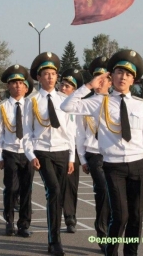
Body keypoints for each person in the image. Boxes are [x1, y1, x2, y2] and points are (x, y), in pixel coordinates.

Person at [61, 49, 143, 256]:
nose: (123, 77)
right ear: (110, 76)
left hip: (139, 164)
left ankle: (131, 253)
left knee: (136, 217)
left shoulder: (141, 105)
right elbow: (66, 106)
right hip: (114, 166)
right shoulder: (99, 102)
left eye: (128, 74)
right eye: (119, 72)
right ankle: (111, 252)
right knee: (120, 216)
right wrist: (89, 85)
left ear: (133, 80)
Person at [23, 52, 75, 256]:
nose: (50, 77)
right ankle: (54, 241)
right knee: (53, 190)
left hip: (62, 151)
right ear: (38, 77)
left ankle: (54, 236)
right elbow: (27, 132)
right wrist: (31, 155)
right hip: (42, 151)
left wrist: (72, 157)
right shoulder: (31, 101)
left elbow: (71, 131)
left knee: (59, 194)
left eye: (53, 73)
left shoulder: (65, 100)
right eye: (46, 73)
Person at [0, 64, 34, 237]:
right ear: (8, 86)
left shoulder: (33, 106)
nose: (17, 86)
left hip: (28, 153)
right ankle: (9, 221)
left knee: (27, 189)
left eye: (20, 83)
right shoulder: (2, 107)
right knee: (11, 188)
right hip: (10, 151)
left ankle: (24, 224)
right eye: (14, 83)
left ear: (26, 87)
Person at [76, 56, 112, 253]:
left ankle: (111, 231)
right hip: (94, 154)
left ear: (110, 80)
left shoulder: (117, 102)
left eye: (104, 77)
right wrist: (82, 158)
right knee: (104, 191)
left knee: (113, 195)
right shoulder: (86, 104)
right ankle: (102, 233)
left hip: (114, 156)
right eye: (97, 77)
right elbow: (80, 133)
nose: (101, 81)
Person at [59, 68, 84, 234]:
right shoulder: (55, 103)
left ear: (74, 90)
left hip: (73, 149)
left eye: (67, 86)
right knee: (55, 186)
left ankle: (70, 217)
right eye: (62, 84)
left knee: (71, 185)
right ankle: (54, 215)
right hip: (57, 147)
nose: (63, 88)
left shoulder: (81, 106)